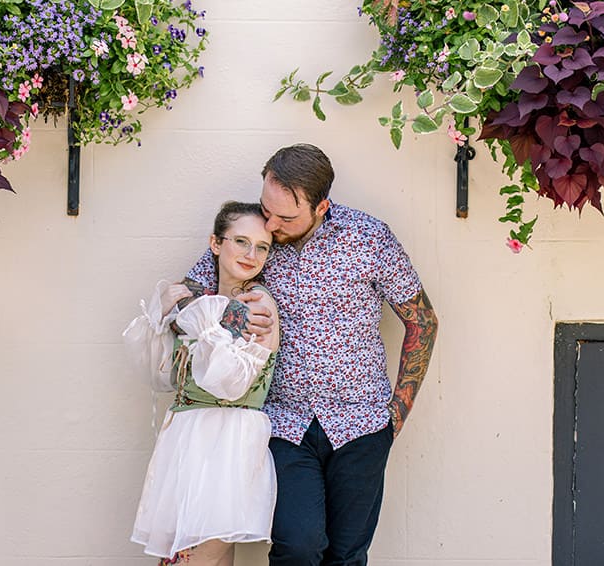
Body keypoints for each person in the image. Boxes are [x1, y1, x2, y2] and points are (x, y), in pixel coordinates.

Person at [183, 144, 438, 565]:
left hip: (362, 424)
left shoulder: (370, 238)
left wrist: (397, 413)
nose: (271, 224)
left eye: (285, 218)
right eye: (267, 209)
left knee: (347, 554)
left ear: (321, 206)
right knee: (296, 546)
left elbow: (423, 321)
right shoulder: (255, 238)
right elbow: (192, 294)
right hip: (283, 424)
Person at [125, 201, 283, 565]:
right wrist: (162, 315)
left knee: (196, 559)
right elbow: (160, 375)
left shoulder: (257, 305)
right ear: (216, 243)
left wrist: (209, 323)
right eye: (241, 241)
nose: (251, 254)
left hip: (227, 440)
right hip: (186, 437)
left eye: (261, 247)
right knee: (180, 558)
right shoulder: (197, 302)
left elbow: (229, 384)